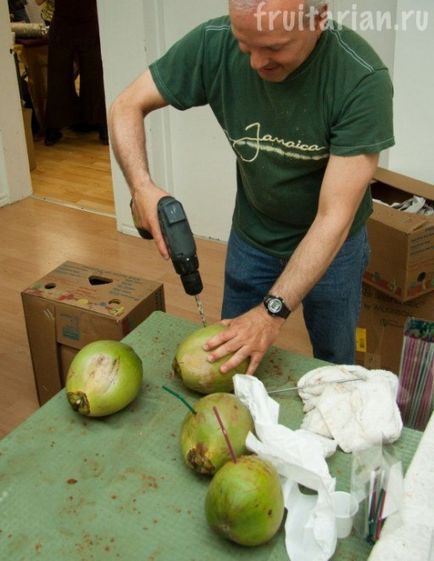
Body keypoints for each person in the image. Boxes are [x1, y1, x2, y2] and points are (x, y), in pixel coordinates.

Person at [108, 0, 394, 375]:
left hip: (334, 248)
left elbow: (333, 217)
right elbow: (126, 104)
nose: (257, 63)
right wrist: (141, 187)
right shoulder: (214, 43)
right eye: (246, 46)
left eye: (275, 48)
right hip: (253, 236)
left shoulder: (360, 79)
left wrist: (271, 311)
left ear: (319, 18)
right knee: (233, 356)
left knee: (335, 364)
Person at [43, 0, 108, 145]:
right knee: (62, 76)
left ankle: (98, 123)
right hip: (75, 23)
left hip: (81, 23)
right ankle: (99, 125)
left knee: (92, 75)